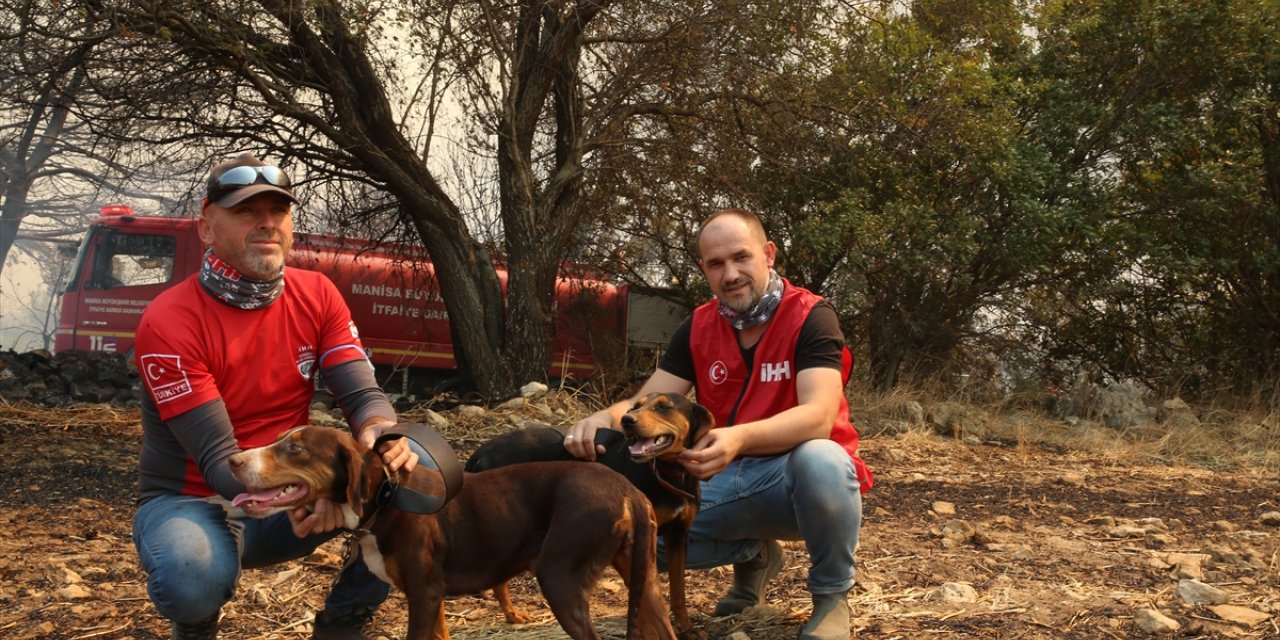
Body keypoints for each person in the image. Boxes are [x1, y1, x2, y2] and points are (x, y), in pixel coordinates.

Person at [131, 153, 420, 640]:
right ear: (206, 226)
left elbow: (363, 395)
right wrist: (307, 494)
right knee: (191, 575)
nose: (267, 224)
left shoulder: (318, 293)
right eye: (246, 211)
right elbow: (221, 461)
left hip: (290, 490)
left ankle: (343, 622)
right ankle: (198, 623)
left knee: (410, 472)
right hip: (194, 496)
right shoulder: (169, 320)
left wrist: (380, 436)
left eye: (278, 212)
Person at [565, 208, 874, 640]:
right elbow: (644, 403)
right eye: (716, 264)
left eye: (741, 258)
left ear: (768, 255)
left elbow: (819, 417)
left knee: (822, 459)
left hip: (794, 482)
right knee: (637, 534)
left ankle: (831, 598)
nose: (730, 274)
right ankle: (755, 555)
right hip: (721, 478)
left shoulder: (811, 317)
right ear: (705, 270)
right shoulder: (698, 326)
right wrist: (603, 417)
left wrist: (738, 436)